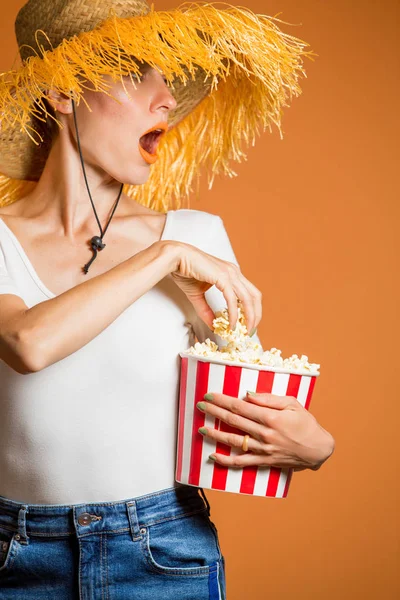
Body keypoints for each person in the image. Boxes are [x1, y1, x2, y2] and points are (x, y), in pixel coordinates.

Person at [0, 0, 334, 597]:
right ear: (64, 93)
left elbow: (249, 406)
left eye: (166, 81)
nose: (164, 101)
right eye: (136, 74)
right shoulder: (172, 252)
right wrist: (161, 258)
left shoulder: (198, 235)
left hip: (159, 555)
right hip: (14, 560)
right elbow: (26, 343)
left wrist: (311, 446)